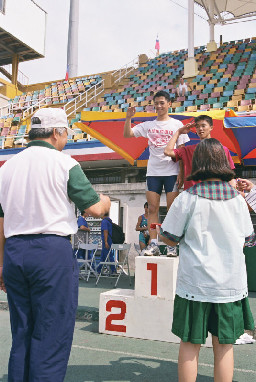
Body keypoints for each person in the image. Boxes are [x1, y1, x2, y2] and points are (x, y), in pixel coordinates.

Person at [0, 107, 111, 382]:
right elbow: (95, 210)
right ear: (56, 132)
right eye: (65, 134)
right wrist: (106, 201)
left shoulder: (6, 167)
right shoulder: (64, 163)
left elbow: (1, 224)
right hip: (50, 251)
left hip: (14, 252)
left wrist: (1, 263)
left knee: (22, 331)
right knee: (51, 334)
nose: (66, 140)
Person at [156, 138, 255, 382]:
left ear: (196, 162)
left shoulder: (186, 198)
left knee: (190, 343)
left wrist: (158, 231)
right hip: (230, 284)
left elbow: (169, 238)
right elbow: (249, 239)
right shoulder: (237, 199)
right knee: (224, 346)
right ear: (224, 161)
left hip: (195, 283)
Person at [124, 90, 190, 256]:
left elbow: (181, 152)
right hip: (153, 172)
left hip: (172, 172)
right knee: (152, 208)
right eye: (156, 103)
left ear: (169, 104)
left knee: (171, 209)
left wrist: (181, 173)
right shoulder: (148, 125)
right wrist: (128, 118)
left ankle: (171, 245)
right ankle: (153, 244)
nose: (159, 106)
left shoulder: (177, 125)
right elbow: (128, 134)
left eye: (162, 103)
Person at [164, 114, 235, 190]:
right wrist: (178, 132)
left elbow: (229, 174)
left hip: (215, 192)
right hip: (193, 193)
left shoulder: (222, 149)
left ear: (211, 127)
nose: (200, 129)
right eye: (197, 126)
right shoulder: (188, 150)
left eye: (203, 126)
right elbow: (167, 151)